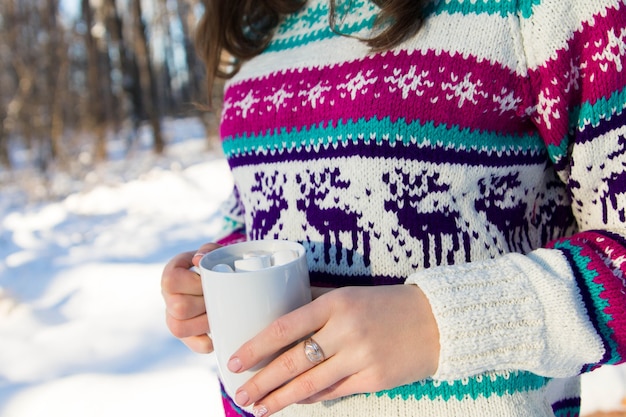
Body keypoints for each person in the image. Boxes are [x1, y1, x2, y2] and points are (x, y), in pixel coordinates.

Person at [161, 0, 626, 416]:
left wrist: (432, 324)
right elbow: (256, 218)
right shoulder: (259, 36)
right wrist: (211, 277)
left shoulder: (536, 10)